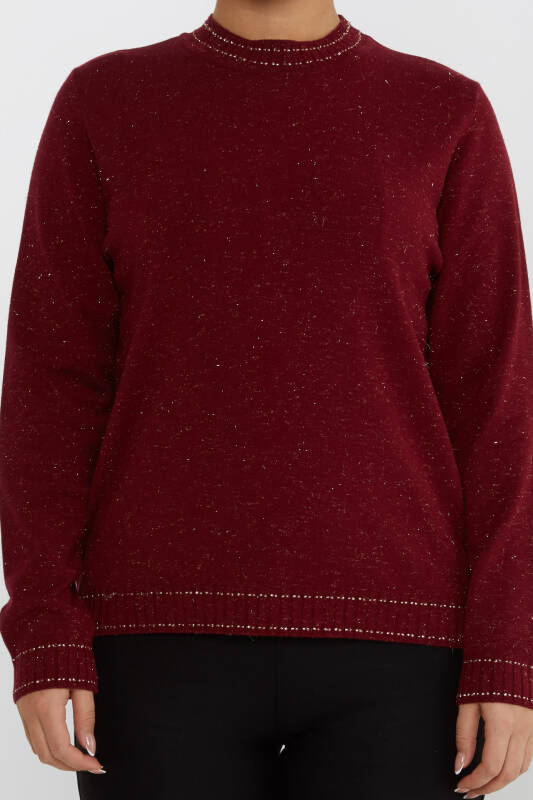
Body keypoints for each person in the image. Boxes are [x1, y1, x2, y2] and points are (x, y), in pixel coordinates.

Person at [0, 0, 532, 797]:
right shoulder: (103, 103)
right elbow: (49, 388)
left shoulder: (444, 111)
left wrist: (505, 651)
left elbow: (495, 400)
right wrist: (46, 630)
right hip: (151, 640)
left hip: (403, 647)